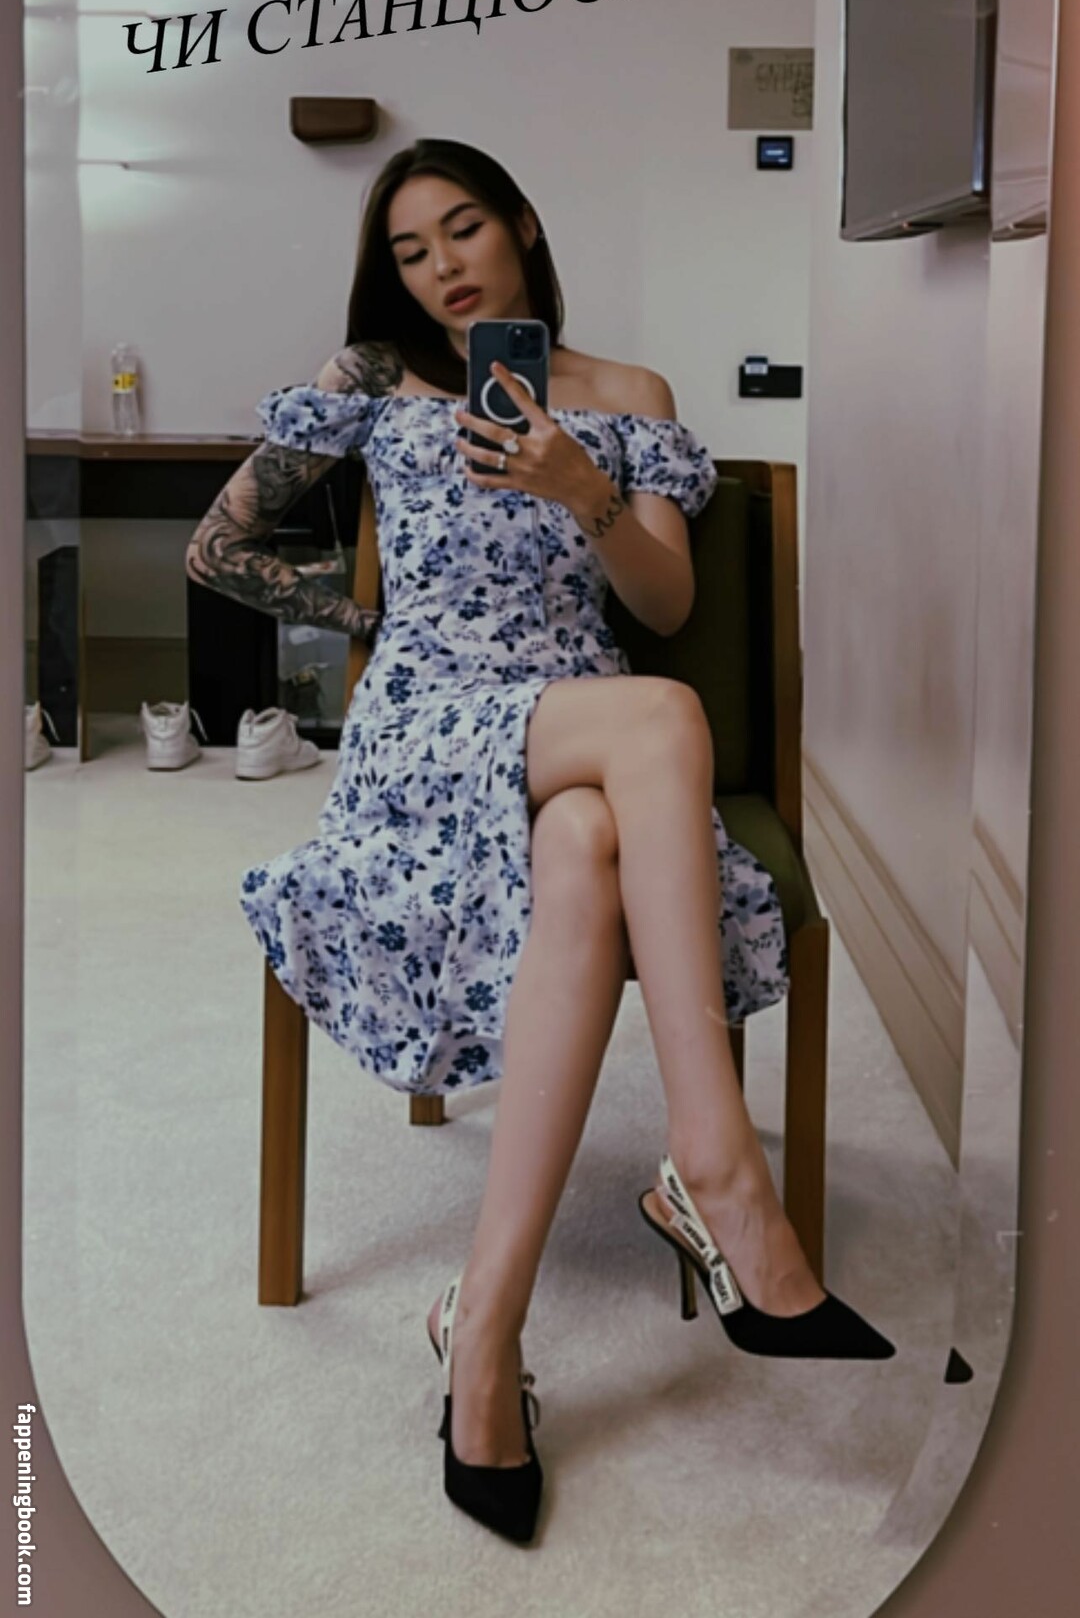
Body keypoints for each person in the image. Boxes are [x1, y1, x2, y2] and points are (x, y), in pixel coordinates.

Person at [187, 137, 894, 1548]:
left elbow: (668, 603)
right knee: (664, 720)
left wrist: (582, 487)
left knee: (586, 843)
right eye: (410, 252)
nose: (442, 268)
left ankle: (485, 1333)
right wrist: (379, 621)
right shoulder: (374, 382)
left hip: (579, 725)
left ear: (521, 226)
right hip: (431, 729)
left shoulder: (630, 398)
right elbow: (221, 548)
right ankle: (716, 1169)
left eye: (463, 230)